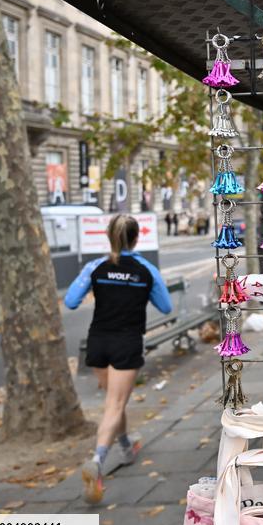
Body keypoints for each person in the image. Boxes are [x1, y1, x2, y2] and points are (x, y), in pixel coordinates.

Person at [64, 214, 172, 504]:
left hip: (98, 342)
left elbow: (71, 301)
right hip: (127, 342)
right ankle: (97, 461)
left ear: (109, 237)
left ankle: (126, 446)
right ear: (137, 238)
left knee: (114, 400)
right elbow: (166, 306)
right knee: (115, 403)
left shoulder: (95, 267)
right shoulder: (146, 270)